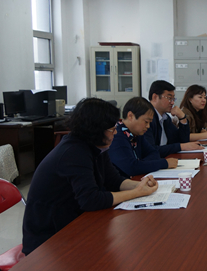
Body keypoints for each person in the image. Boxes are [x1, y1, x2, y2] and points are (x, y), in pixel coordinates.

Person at [22, 98, 158, 254]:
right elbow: (91, 200)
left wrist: (140, 185)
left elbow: (113, 180)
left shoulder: (97, 146)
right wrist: (137, 193)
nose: (115, 133)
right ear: (96, 129)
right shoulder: (73, 153)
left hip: (73, 221)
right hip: (49, 239)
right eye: (112, 129)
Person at [109, 97, 179, 177]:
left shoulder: (136, 134)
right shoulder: (116, 136)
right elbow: (131, 168)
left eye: (149, 122)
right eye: (146, 122)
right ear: (130, 116)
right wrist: (164, 163)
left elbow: (154, 153)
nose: (148, 126)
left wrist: (140, 164)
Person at [144, 80, 202, 157]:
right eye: (169, 98)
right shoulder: (145, 119)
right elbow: (151, 150)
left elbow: (182, 141)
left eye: (173, 99)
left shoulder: (165, 118)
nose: (172, 103)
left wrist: (182, 118)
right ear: (155, 97)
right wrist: (181, 147)